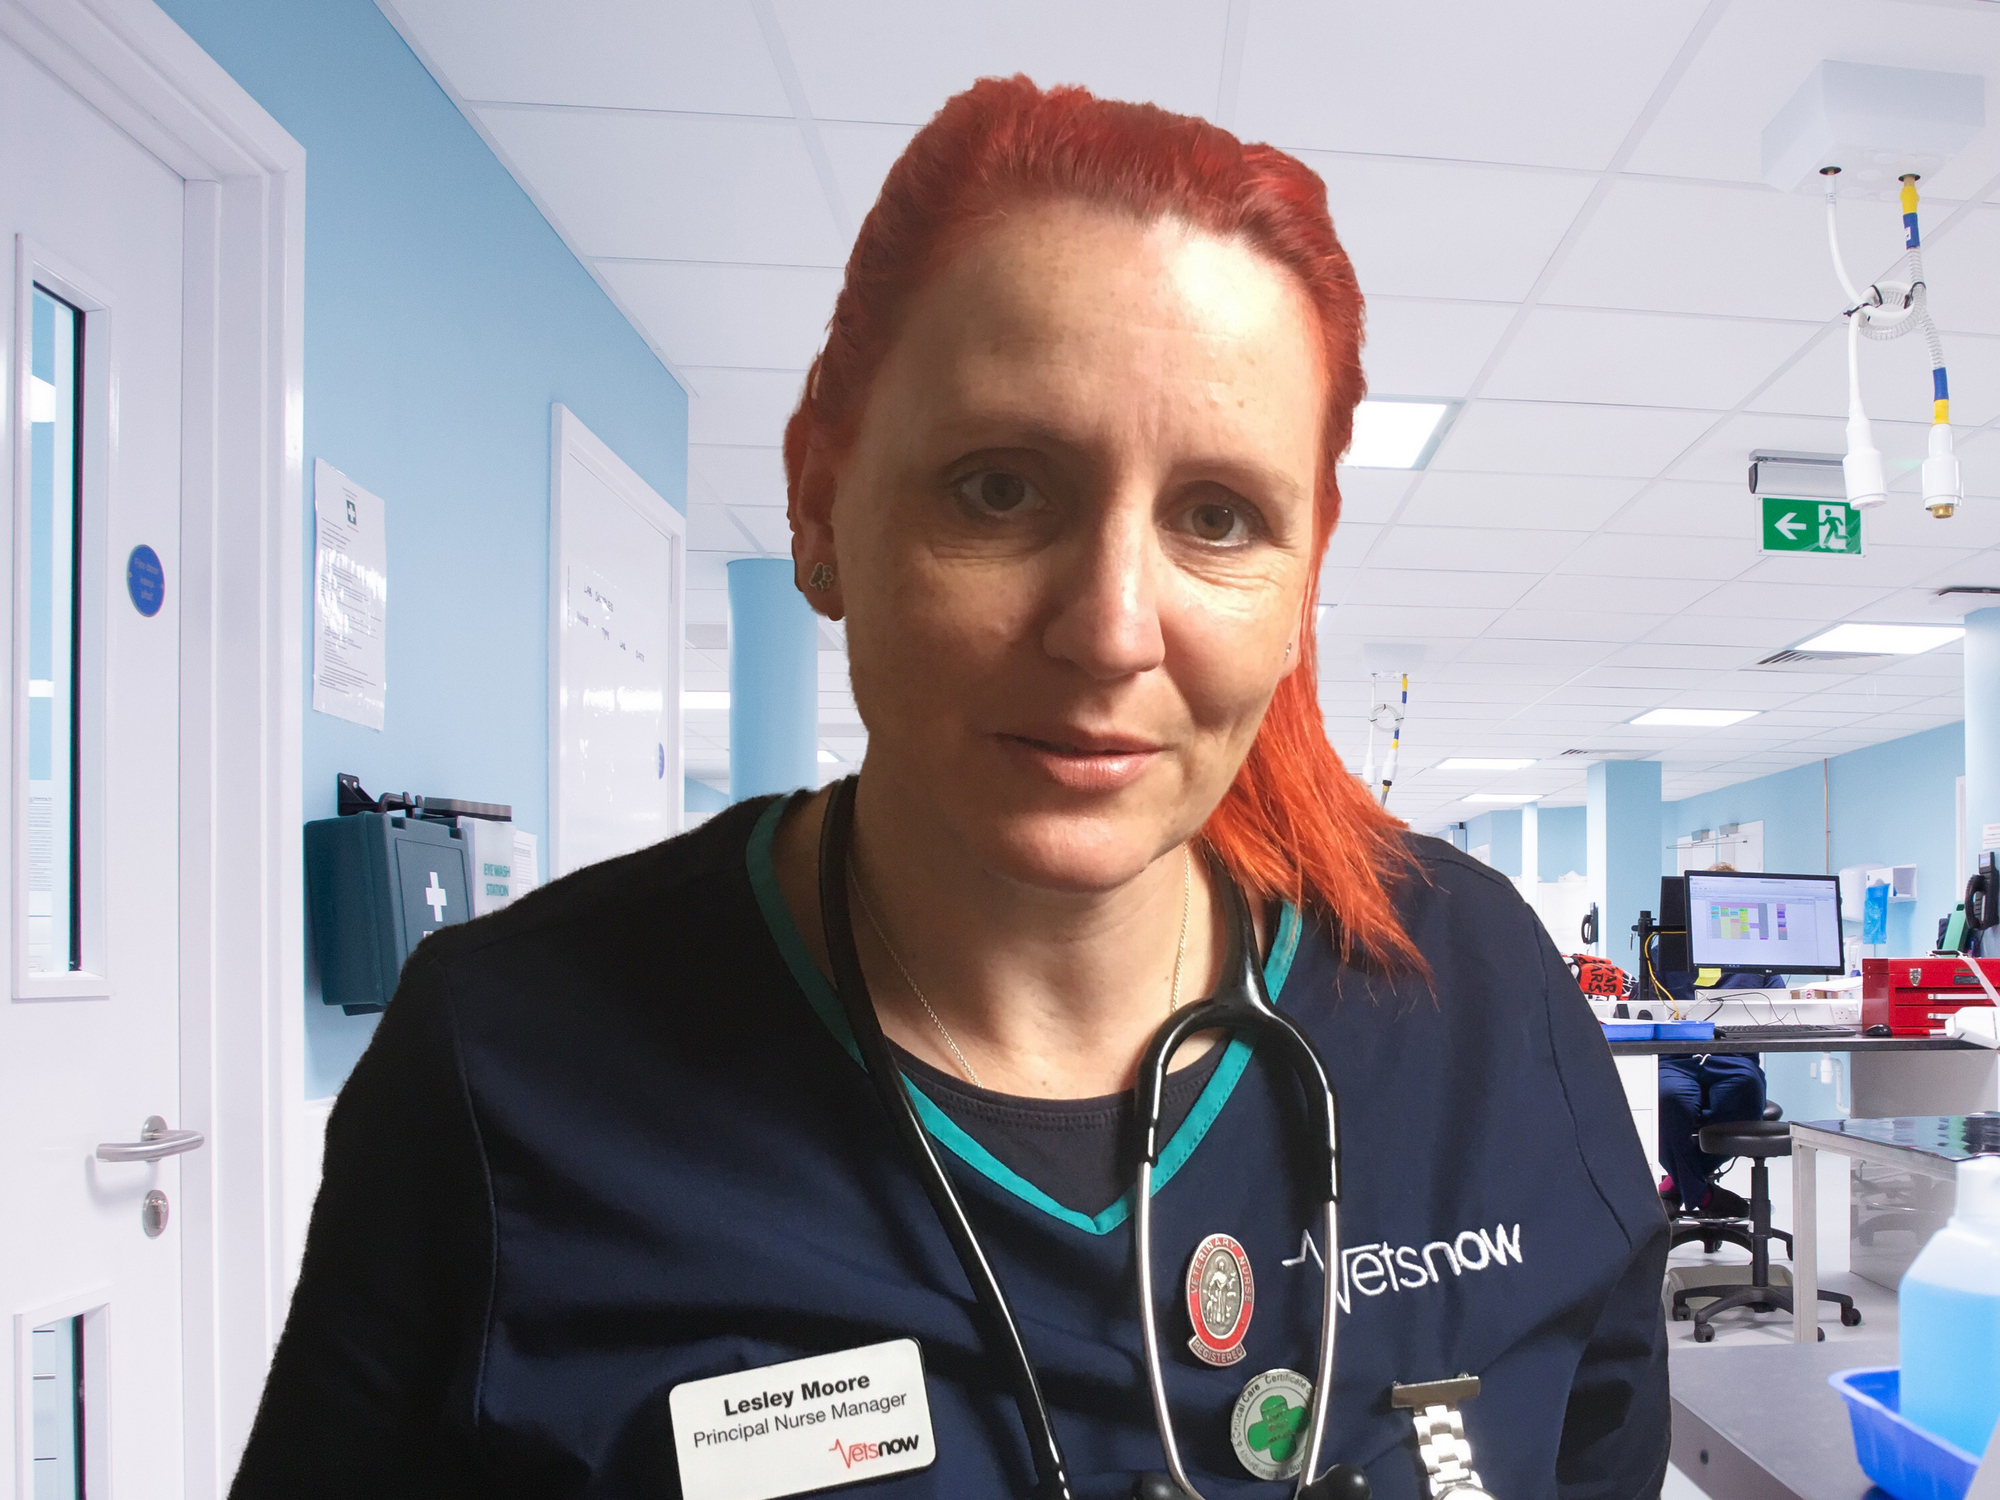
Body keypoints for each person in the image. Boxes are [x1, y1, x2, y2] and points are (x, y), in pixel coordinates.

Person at [229, 78, 1669, 1500]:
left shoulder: (1473, 993)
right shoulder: (505, 1075)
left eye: (1218, 517)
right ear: (818, 509)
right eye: (999, 488)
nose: (1110, 628)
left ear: (1299, 589)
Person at [1654, 866, 1780, 1219]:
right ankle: (1705, 1196)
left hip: (1734, 1057)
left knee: (1743, 1092)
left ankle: (1680, 1183)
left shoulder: (1761, 958)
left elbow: (1781, 1011)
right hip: (1676, 1057)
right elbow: (1640, 1009)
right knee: (1668, 1101)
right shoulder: (1664, 954)